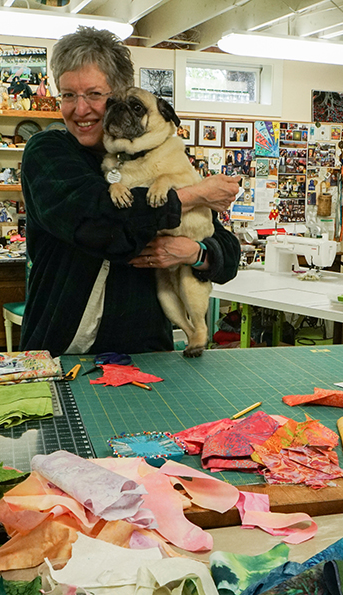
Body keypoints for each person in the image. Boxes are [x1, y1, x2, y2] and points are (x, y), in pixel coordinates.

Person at [20, 27, 241, 355]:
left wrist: (194, 253)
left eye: (94, 95)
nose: (80, 110)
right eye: (68, 95)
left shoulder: (155, 159)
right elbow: (99, 224)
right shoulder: (48, 151)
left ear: (120, 96)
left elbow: (226, 251)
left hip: (146, 353)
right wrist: (192, 195)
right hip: (61, 351)